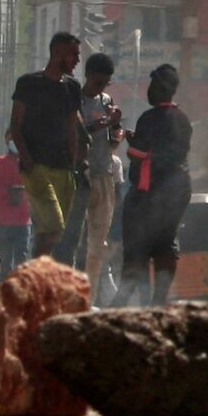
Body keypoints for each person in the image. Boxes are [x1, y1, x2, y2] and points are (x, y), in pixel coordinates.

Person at [120, 63, 192, 306]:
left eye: (151, 86)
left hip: (151, 191)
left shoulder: (149, 118)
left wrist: (133, 143)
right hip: (178, 188)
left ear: (159, 88)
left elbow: (138, 153)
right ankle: (158, 298)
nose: (148, 91)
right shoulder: (183, 118)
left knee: (138, 242)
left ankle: (125, 296)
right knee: (165, 241)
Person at [10, 32, 84, 259]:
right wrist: (27, 158)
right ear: (57, 53)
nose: (77, 60)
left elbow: (72, 128)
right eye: (73, 55)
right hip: (37, 167)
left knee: (50, 232)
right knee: (53, 225)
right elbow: (15, 125)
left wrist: (74, 163)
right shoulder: (29, 83)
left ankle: (36, 279)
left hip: (64, 168)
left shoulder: (72, 87)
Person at [78, 54, 125, 301]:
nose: (100, 87)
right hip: (79, 178)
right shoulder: (75, 101)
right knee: (74, 242)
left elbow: (113, 138)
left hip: (103, 177)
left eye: (105, 83)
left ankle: (89, 299)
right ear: (87, 75)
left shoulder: (107, 101)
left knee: (97, 246)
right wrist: (103, 123)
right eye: (97, 81)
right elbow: (78, 132)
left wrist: (117, 132)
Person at [0, 138, 32, 275]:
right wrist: (7, 192)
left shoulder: (29, 166)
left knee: (21, 264)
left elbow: (36, 191)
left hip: (22, 221)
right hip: (1, 223)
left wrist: (22, 192)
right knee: (3, 264)